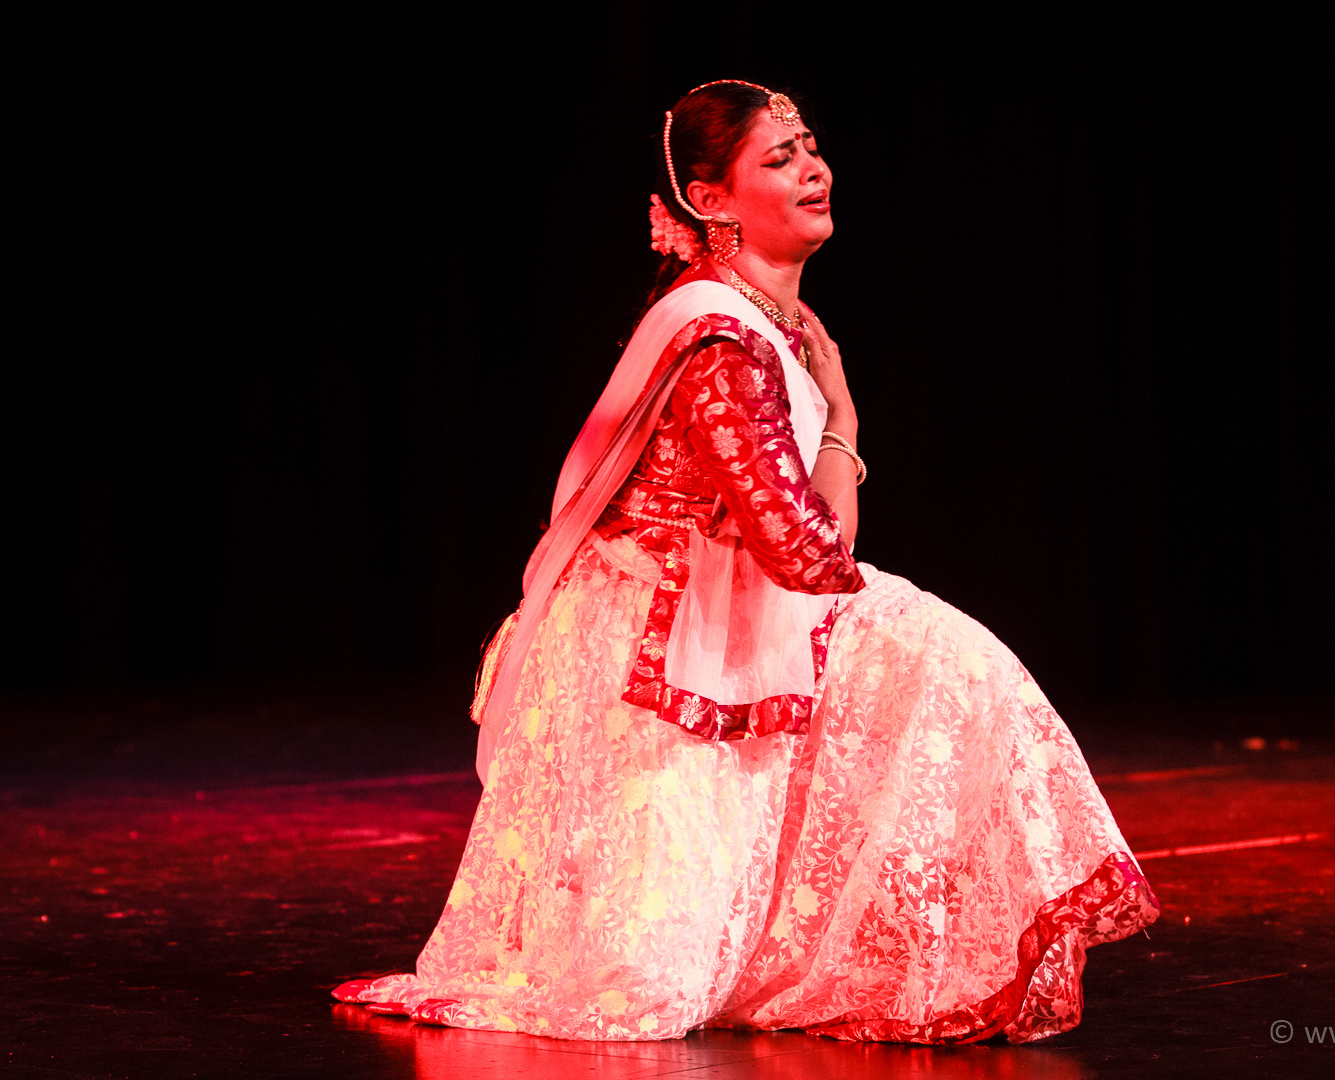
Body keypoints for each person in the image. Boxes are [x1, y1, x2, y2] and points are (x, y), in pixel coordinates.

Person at [333, 80, 1157, 1045]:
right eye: (779, 157)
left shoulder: (769, 320)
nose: (813, 168)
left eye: (810, 146)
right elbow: (805, 550)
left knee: (950, 666)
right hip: (656, 646)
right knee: (945, 667)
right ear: (709, 201)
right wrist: (845, 428)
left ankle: (891, 961)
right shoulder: (723, 337)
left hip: (717, 617)